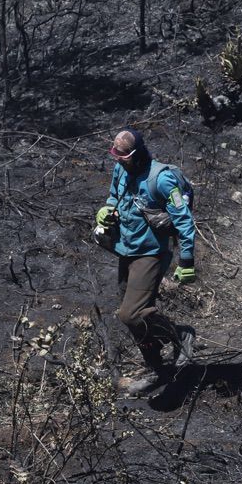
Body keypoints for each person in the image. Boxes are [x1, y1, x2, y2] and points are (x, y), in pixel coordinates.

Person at [95, 129, 197, 396]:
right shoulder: (119, 169)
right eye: (116, 155)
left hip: (152, 252)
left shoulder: (161, 179)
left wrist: (186, 260)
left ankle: (180, 335)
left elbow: (184, 220)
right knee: (135, 319)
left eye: (124, 156)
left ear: (137, 153)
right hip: (126, 249)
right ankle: (157, 369)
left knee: (130, 313)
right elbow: (113, 198)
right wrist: (106, 211)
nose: (118, 160)